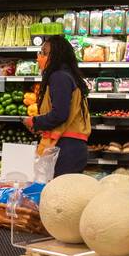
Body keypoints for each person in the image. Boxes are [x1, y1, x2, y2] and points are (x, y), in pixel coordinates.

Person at [23, 35, 91, 177]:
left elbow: (60, 114)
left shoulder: (59, 77)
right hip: (71, 146)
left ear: (55, 56)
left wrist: (34, 121)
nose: (39, 57)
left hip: (65, 148)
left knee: (58, 194)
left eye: (43, 53)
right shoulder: (69, 75)